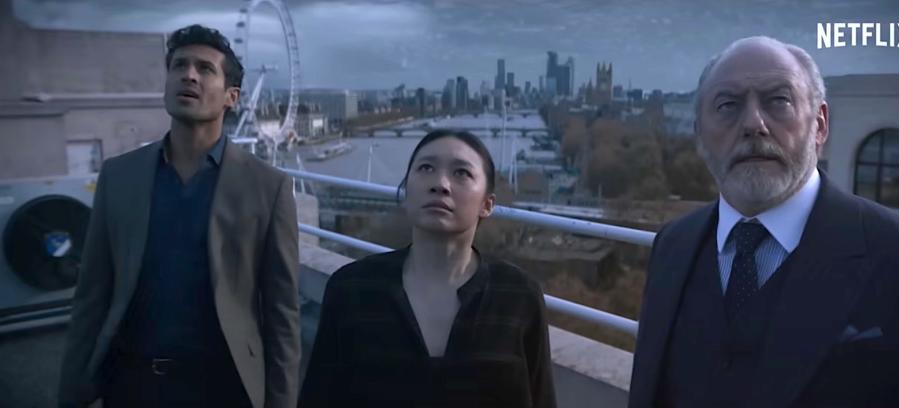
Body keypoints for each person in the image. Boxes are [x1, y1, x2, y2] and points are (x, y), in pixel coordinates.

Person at [627, 36, 899, 407]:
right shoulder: (672, 245)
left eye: (778, 101)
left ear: (819, 126)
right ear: (699, 134)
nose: (753, 123)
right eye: (727, 105)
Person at [58, 24, 300, 408]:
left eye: (205, 69)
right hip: (131, 384)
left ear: (232, 97)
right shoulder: (119, 176)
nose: (188, 74)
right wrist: (70, 392)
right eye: (179, 65)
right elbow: (92, 294)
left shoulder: (268, 188)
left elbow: (282, 314)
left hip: (224, 389)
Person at [299, 130, 556, 408]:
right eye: (426, 168)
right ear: (406, 192)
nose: (440, 184)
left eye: (462, 173)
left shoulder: (518, 296)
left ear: (487, 204)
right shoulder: (351, 289)